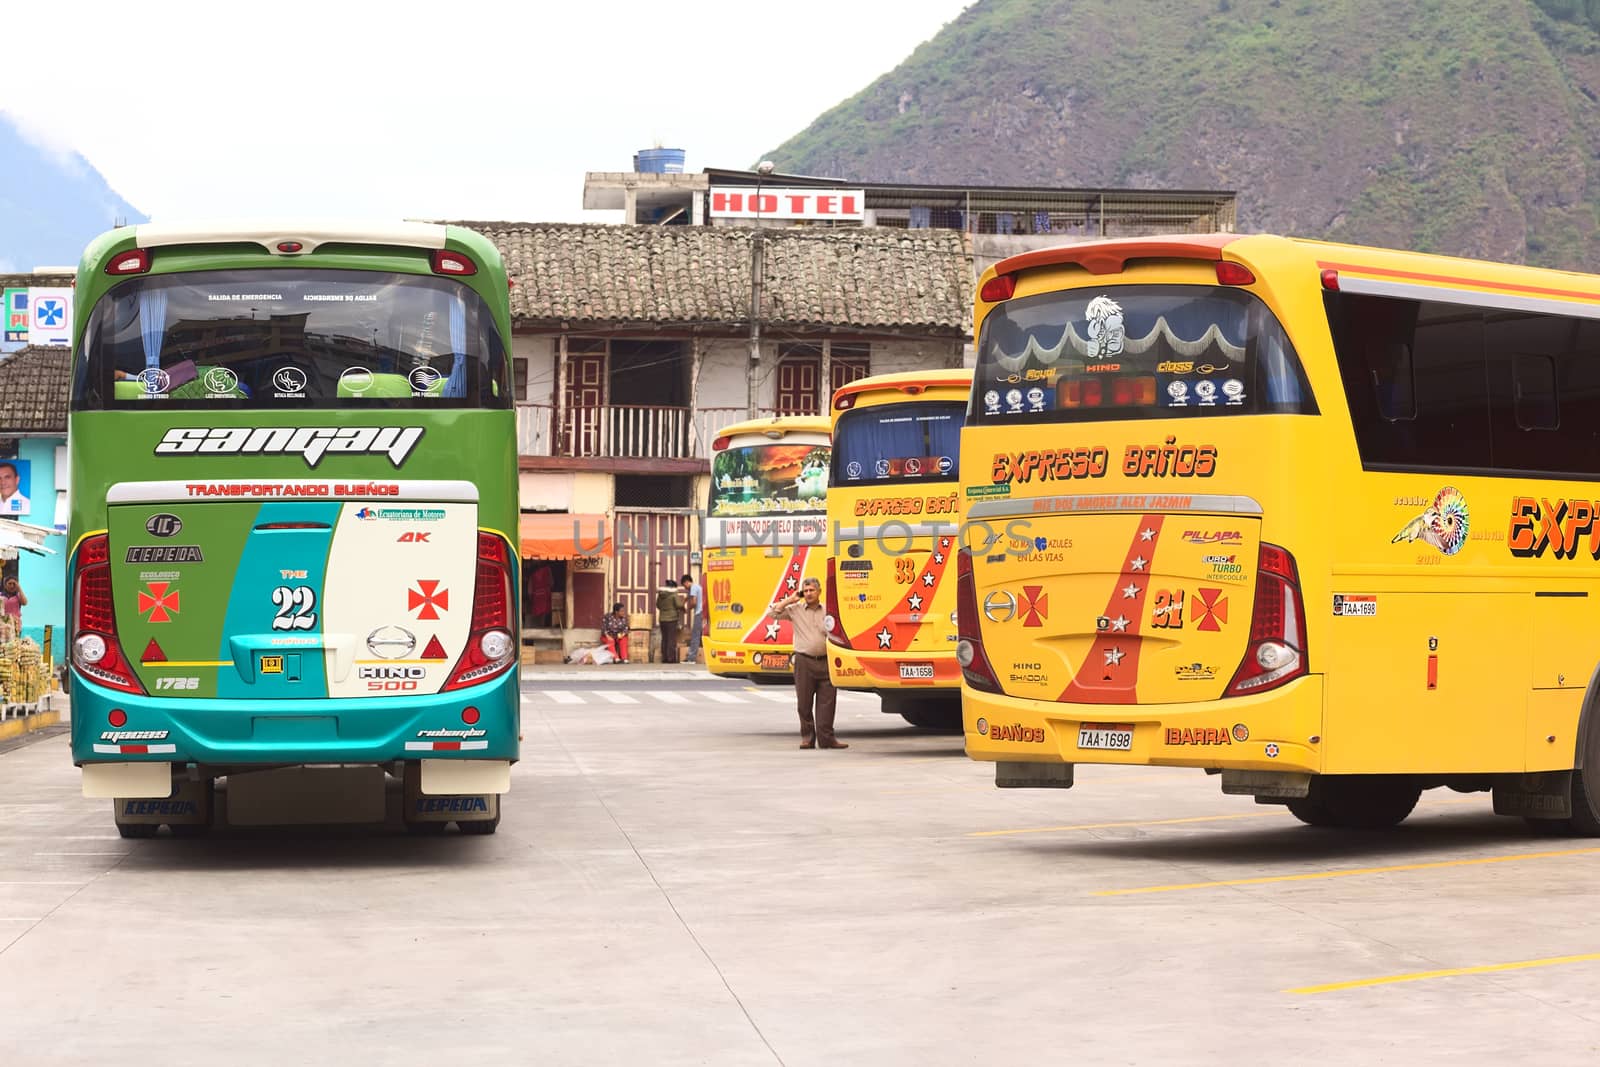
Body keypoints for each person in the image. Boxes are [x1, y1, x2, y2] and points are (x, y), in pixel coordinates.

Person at [770, 576, 846, 749]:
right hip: (804, 661)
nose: (809, 593)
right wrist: (791, 599)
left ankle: (827, 740)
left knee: (827, 703)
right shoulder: (794, 609)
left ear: (819, 591)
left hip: (826, 661)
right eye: (806, 591)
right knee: (804, 703)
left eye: (812, 590)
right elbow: (772, 613)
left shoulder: (828, 610)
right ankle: (807, 738)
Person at [655, 575, 683, 664]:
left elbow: (658, 605)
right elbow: (679, 605)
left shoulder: (660, 595)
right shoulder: (674, 594)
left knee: (665, 638)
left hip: (662, 619)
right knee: (671, 639)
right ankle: (671, 659)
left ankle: (665, 658)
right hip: (671, 619)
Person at [681, 572, 702, 665]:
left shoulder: (693, 588)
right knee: (698, 635)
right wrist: (683, 602)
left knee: (695, 636)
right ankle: (692, 657)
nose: (685, 588)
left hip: (699, 613)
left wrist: (688, 609)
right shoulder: (697, 587)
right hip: (702, 612)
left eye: (684, 585)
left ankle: (691, 658)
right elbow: (688, 597)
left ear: (686, 582)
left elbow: (694, 602)